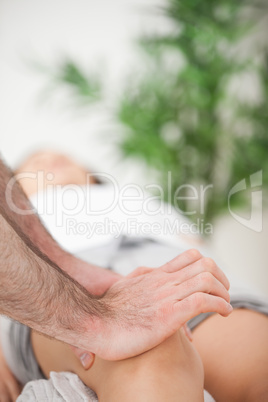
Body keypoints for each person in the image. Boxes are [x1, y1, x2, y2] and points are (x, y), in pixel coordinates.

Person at [1, 151, 268, 401]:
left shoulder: (135, 197)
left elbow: (197, 245)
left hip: (169, 266)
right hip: (53, 283)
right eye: (35, 164)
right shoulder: (14, 225)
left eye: (63, 157)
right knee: (151, 352)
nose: (50, 159)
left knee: (257, 364)